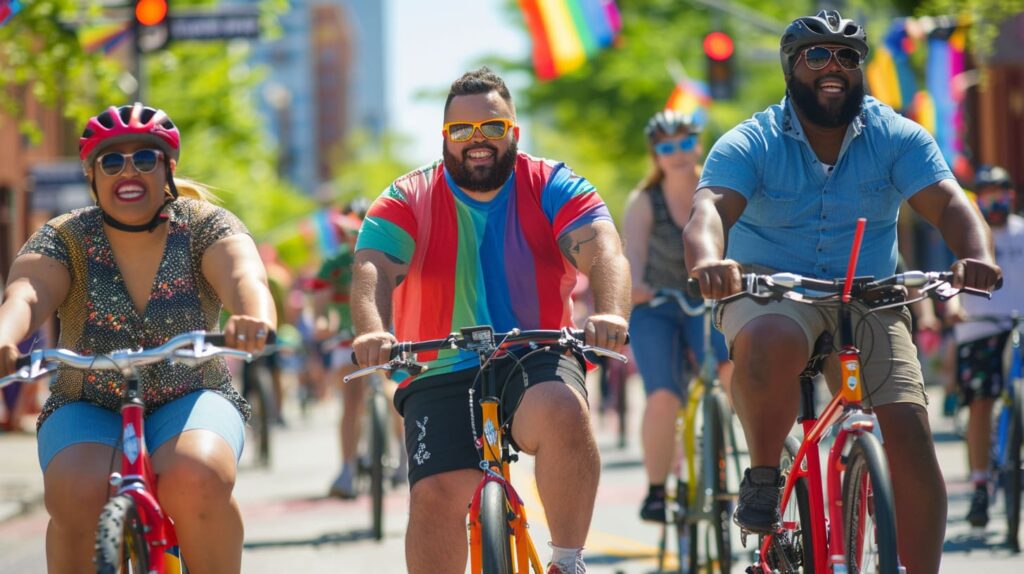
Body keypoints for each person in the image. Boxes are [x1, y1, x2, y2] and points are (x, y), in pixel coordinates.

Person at [682, 11, 1002, 573]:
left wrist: (977, 255)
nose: (834, 67)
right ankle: (763, 473)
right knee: (772, 337)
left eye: (847, 57)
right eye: (817, 55)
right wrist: (710, 261)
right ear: (790, 67)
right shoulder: (751, 140)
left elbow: (951, 203)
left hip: (870, 295)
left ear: (861, 71)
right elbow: (709, 209)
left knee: (908, 432)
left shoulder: (896, 135)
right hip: (773, 290)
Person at [351, 67, 630, 574]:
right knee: (435, 494)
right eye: (461, 131)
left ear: (514, 133)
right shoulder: (405, 197)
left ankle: (568, 562)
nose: (476, 141)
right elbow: (373, 268)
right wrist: (374, 328)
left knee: (564, 410)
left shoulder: (554, 184)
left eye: (492, 128)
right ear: (444, 138)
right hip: (437, 364)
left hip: (536, 351)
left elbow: (605, 250)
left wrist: (610, 311)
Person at [0, 103, 276, 574]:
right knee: (76, 490)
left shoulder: (205, 225)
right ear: (92, 173)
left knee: (197, 475)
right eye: (112, 161)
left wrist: (254, 316)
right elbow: (26, 292)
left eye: (145, 158)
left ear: (168, 168)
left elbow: (245, 274)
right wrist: (6, 337)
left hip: (192, 393)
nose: (128, 170)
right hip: (85, 399)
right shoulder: (65, 237)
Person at [621, 110, 731, 523]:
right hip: (658, 306)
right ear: (656, 156)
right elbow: (631, 259)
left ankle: (760, 471)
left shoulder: (719, 188)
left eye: (685, 142)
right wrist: (635, 288)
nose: (678, 153)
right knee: (663, 393)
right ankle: (655, 491)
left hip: (713, 301)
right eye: (667, 147)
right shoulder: (644, 201)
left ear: (698, 144)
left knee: (732, 366)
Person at [946, 164, 1024, 527]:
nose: (998, 199)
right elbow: (947, 284)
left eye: (1003, 190)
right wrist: (952, 308)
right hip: (979, 330)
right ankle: (980, 483)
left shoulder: (1022, 233)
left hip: (1018, 326)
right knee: (981, 403)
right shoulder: (967, 233)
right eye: (989, 192)